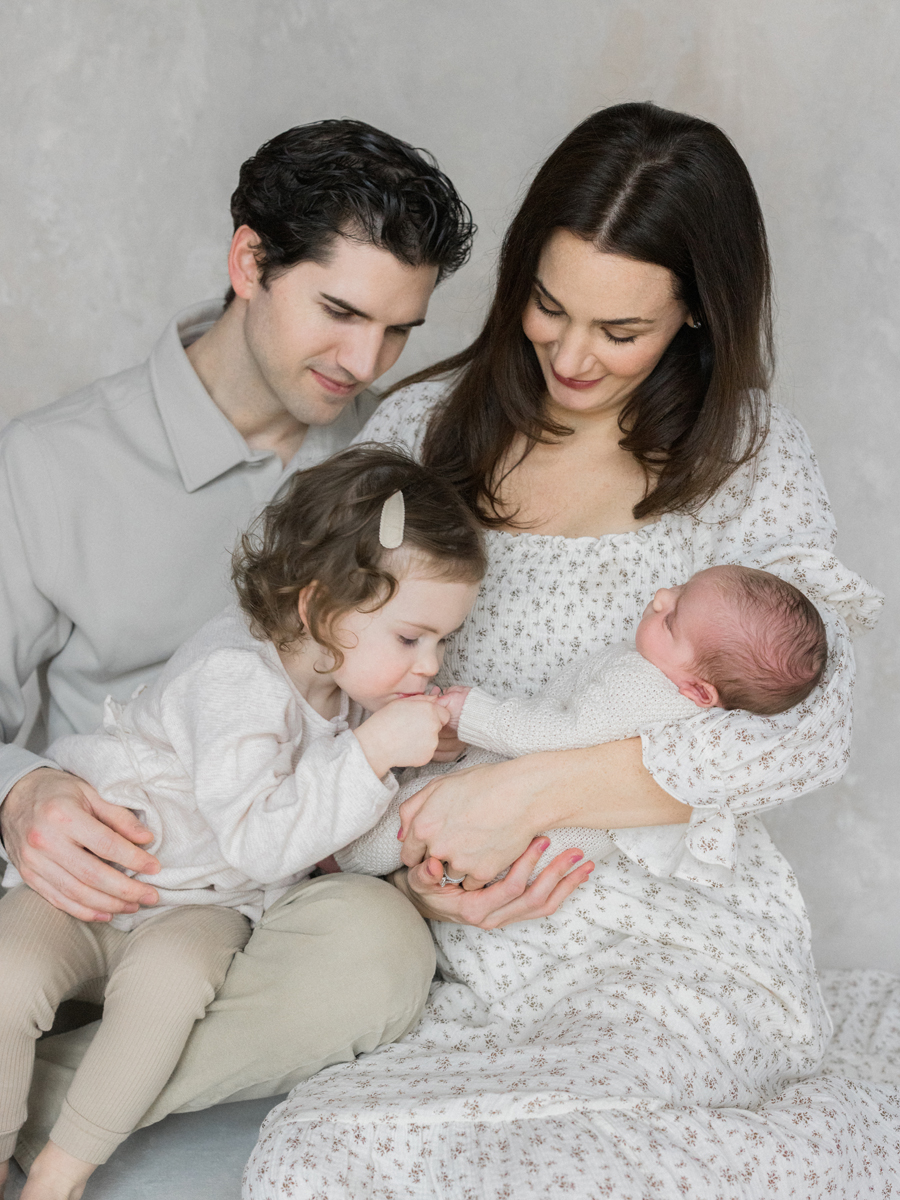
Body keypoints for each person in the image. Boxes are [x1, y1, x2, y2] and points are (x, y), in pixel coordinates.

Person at [243, 104, 897, 1198]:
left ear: (695, 314)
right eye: (549, 306)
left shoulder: (747, 459)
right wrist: (414, 875)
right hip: (468, 952)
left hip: (673, 955)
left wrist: (530, 791)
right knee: (316, 1157)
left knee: (564, 1167)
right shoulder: (421, 436)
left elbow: (814, 731)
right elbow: (311, 676)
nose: (573, 354)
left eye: (621, 330)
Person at [0, 118, 490, 1173]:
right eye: (341, 311)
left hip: (261, 900)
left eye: (399, 330)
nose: (366, 361)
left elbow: (415, 689)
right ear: (250, 262)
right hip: (93, 877)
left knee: (382, 954)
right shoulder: (45, 468)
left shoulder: (389, 466)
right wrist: (18, 793)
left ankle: (55, 1118)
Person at [0, 445, 497, 1199]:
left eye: (440, 642)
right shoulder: (233, 675)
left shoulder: (349, 693)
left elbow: (328, 835)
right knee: (11, 974)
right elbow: (262, 841)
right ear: (317, 610)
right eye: (410, 638)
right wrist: (370, 755)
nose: (429, 665)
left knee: (167, 995)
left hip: (203, 906)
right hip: (109, 867)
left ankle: (61, 1170)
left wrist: (403, 770)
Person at [343, 563, 829, 883]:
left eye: (673, 618)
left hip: (542, 823)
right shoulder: (681, 690)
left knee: (415, 811)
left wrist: (473, 711)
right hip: (560, 833)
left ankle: (341, 857)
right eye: (679, 589)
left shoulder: (642, 687)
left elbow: (558, 733)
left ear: (700, 691)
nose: (660, 596)